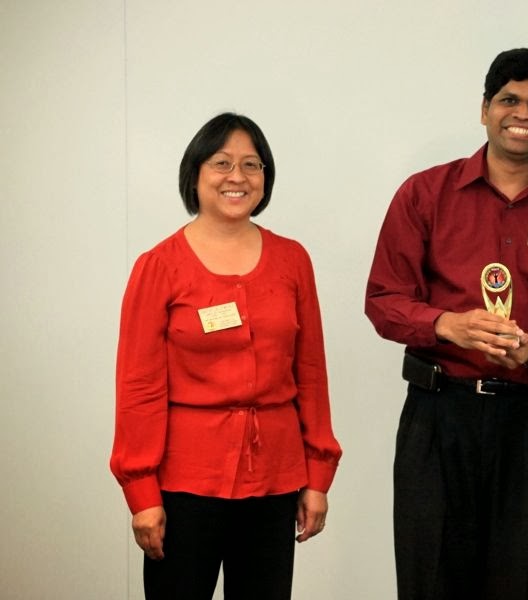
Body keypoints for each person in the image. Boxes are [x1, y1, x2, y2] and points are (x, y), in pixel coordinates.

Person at [365, 48, 528, 599]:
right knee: (430, 582)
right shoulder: (424, 194)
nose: (522, 113)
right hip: (438, 417)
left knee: (513, 581)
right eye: (508, 99)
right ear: (484, 109)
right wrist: (446, 325)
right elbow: (384, 299)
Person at [110, 113, 342, 599]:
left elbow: (311, 373)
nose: (237, 176)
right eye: (221, 163)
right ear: (195, 174)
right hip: (185, 482)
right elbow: (139, 387)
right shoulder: (159, 266)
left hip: (275, 478)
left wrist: (318, 475)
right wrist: (141, 492)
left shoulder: (293, 260)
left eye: (251, 164)